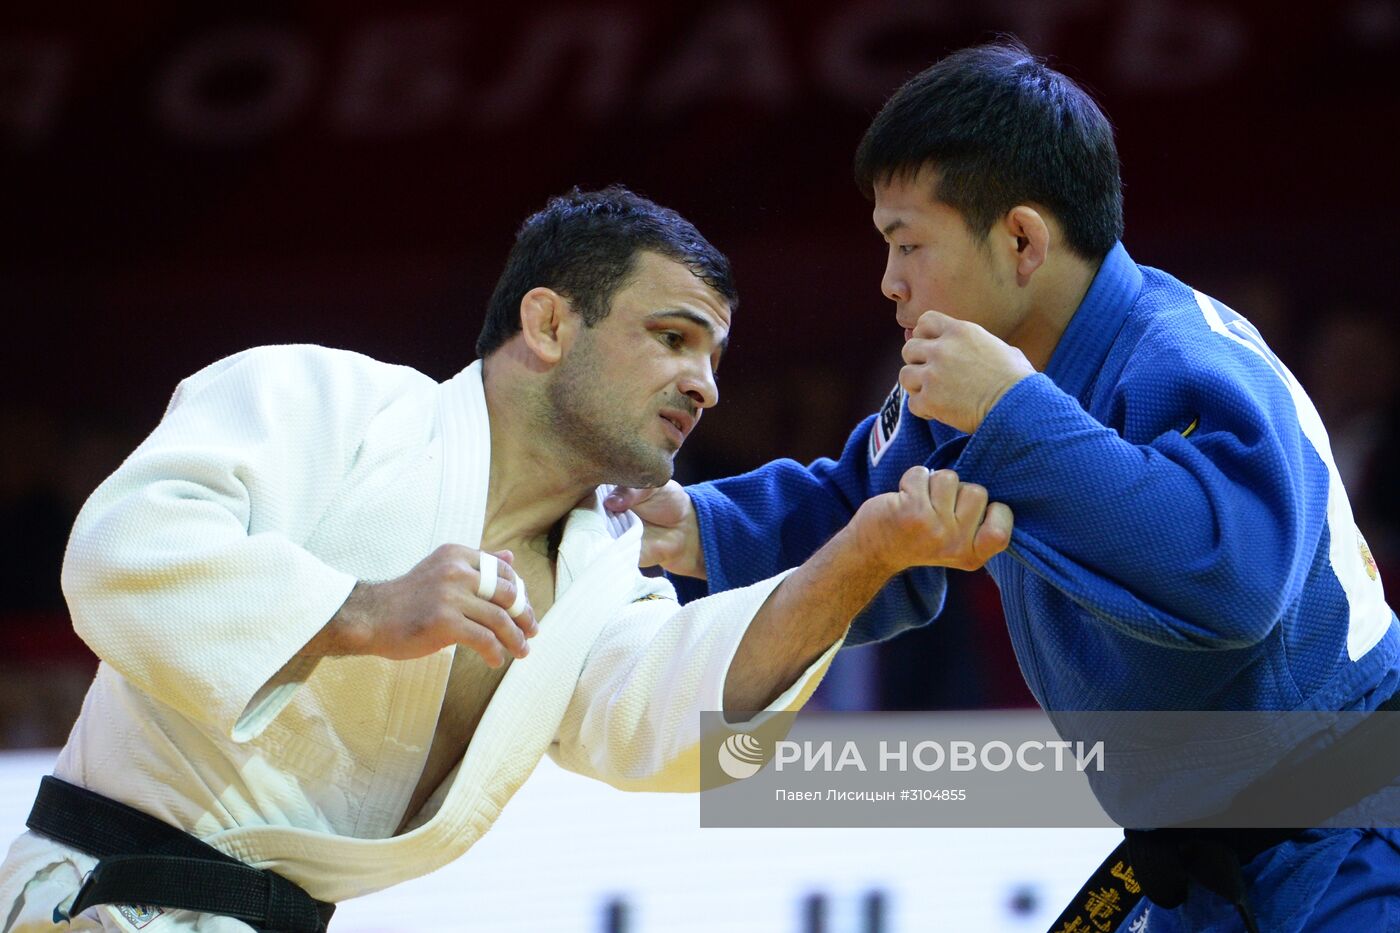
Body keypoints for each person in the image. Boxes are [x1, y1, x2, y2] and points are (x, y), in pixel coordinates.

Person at [0, 186, 1013, 932]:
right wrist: (361, 611)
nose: (704, 385)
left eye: (713, 358)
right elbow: (121, 552)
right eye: (672, 338)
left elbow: (681, 725)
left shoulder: (598, 576)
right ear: (548, 322)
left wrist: (863, 552)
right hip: (94, 896)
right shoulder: (322, 400)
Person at [608, 42, 1400, 933]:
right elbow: (861, 513)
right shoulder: (971, 383)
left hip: (1349, 827)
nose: (889, 281)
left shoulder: (1182, 355)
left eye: (909, 243)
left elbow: (1234, 583)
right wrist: (697, 526)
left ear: (1021, 240)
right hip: (1195, 861)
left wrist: (1013, 411)